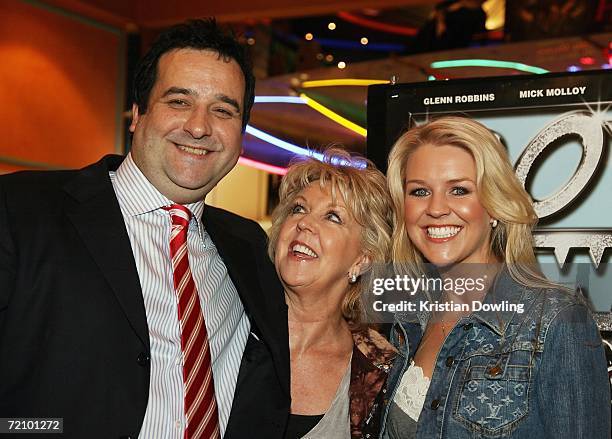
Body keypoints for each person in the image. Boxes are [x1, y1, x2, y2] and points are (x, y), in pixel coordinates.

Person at [0, 19, 289, 439]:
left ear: (241, 135)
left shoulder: (250, 247)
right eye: (179, 101)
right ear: (138, 113)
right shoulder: (20, 209)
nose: (199, 126)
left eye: (223, 110)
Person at [379, 116, 610, 438]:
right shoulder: (407, 319)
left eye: (458, 190)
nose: (435, 208)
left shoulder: (556, 319)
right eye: (419, 191)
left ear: (493, 206)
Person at [267, 149, 397, 439]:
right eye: (298, 209)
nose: (304, 223)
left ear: (362, 259)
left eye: (333, 217)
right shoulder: (229, 326)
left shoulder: (378, 367)